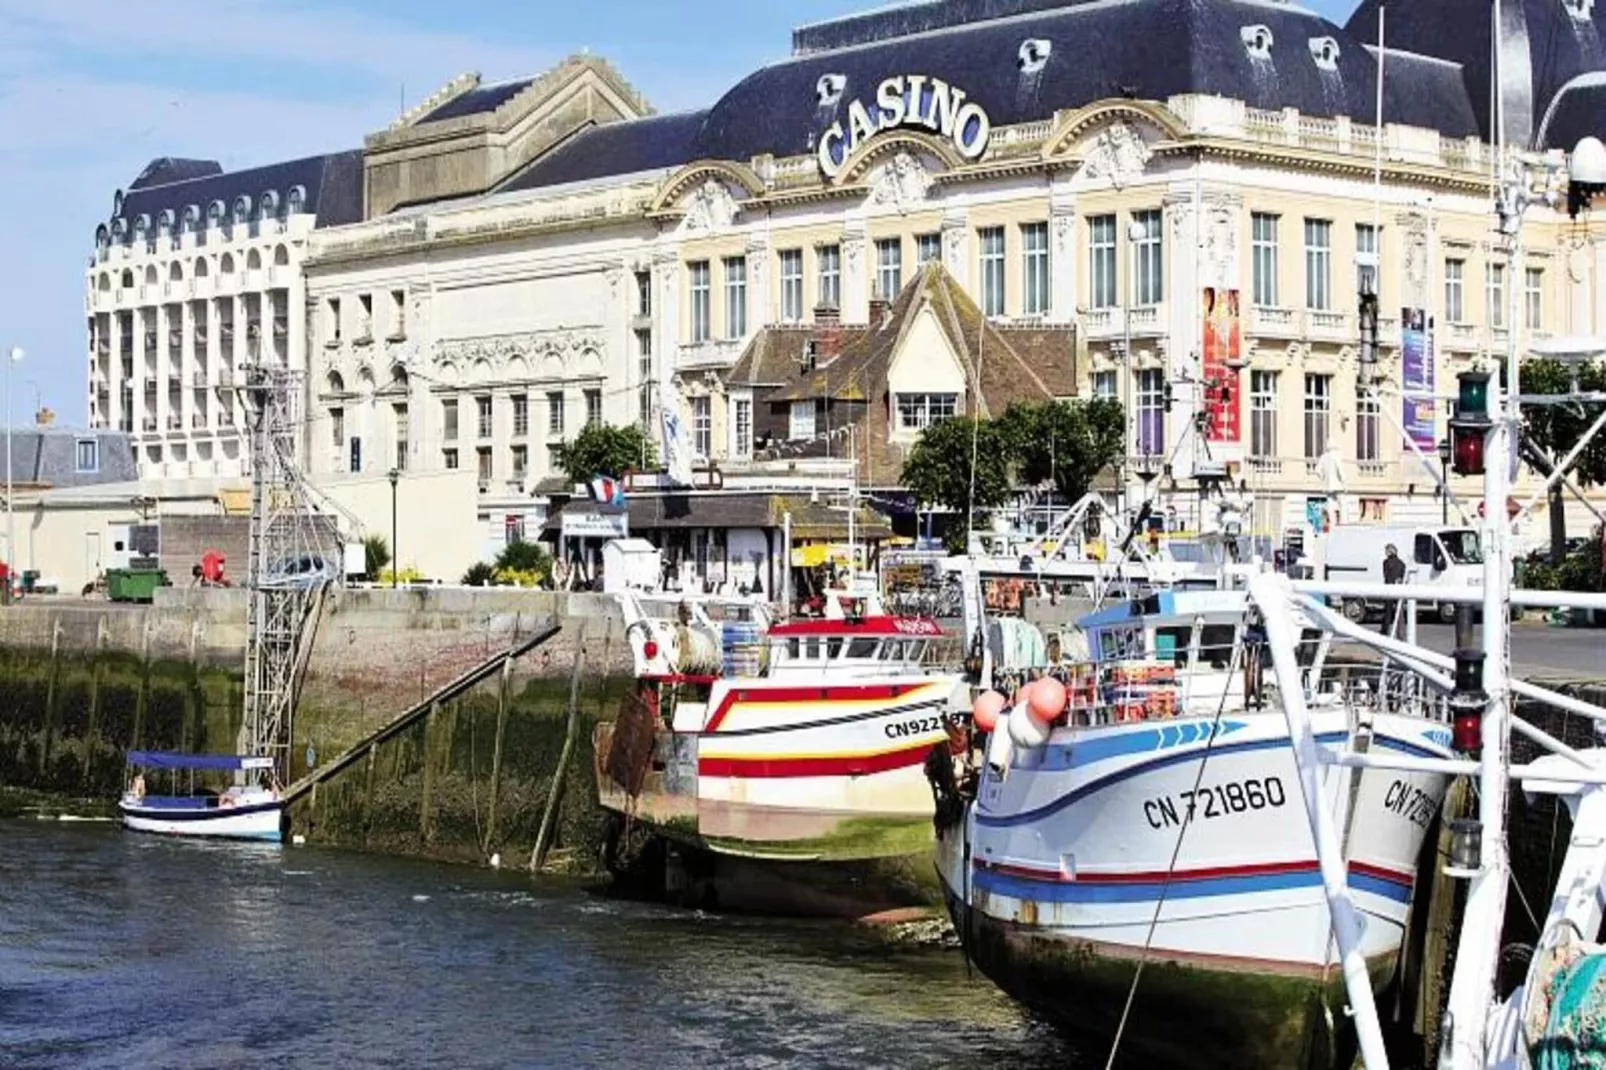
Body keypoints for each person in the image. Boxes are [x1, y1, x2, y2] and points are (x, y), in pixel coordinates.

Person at [1382, 544, 1406, 635]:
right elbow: (1402, 576)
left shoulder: (1386, 562)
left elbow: (1385, 574)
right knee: (1399, 611)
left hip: (1389, 588)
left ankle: (1385, 630)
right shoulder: (1401, 563)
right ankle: (1400, 632)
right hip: (1398, 588)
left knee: (1388, 610)